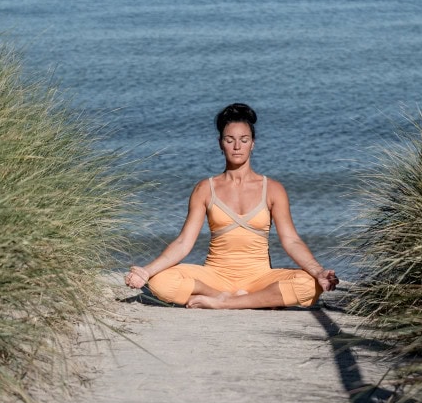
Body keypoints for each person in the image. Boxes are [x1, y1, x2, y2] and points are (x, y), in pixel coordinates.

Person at [124, 103, 338, 309]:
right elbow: (183, 243)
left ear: (253, 143)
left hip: (260, 277)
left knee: (309, 284)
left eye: (244, 140)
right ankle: (245, 300)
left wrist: (318, 271)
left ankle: (225, 302)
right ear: (220, 143)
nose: (237, 146)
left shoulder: (273, 189)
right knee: (160, 280)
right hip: (215, 277)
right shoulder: (205, 189)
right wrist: (146, 271)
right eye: (230, 140)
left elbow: (291, 241)